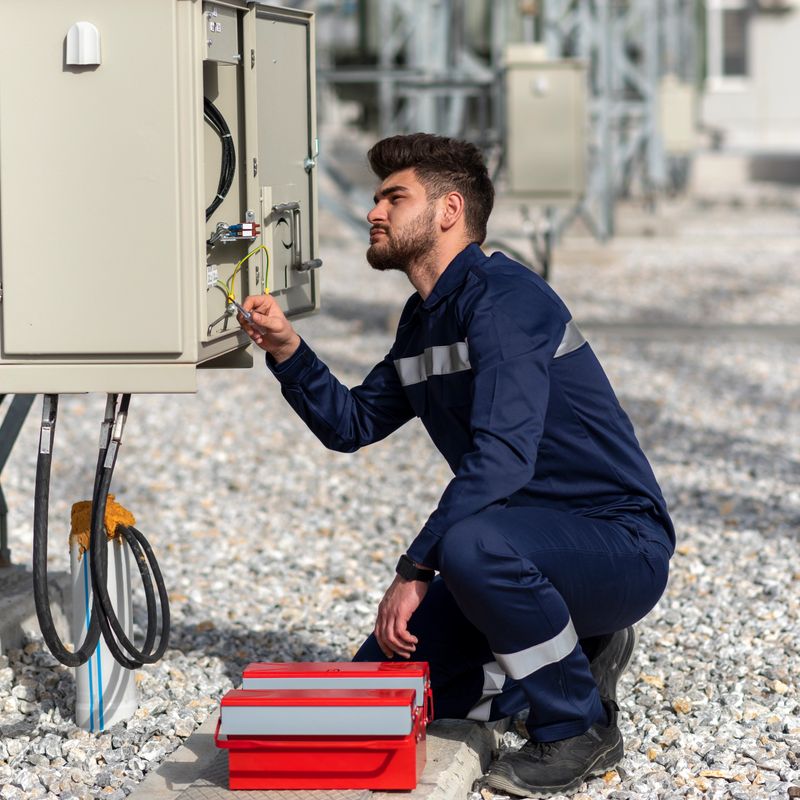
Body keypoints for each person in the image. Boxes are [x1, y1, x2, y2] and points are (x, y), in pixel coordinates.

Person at [238, 133, 675, 798]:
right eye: (377, 198)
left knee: (467, 546)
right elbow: (351, 424)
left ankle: (578, 728)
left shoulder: (505, 301)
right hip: (520, 546)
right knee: (385, 683)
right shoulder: (425, 320)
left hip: (616, 543)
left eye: (393, 196)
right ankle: (580, 652)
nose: (373, 212)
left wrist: (415, 569)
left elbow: (501, 457)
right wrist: (288, 349)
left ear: (446, 212)